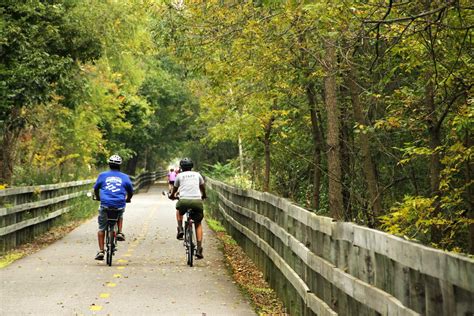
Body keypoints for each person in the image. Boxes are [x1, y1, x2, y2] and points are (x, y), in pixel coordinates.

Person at [93, 154, 134, 260]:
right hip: (119, 203)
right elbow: (130, 191)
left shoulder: (102, 175)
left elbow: (96, 188)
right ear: (120, 165)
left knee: (102, 228)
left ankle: (101, 251)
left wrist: (98, 197)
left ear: (109, 164)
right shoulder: (125, 177)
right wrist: (128, 199)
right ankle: (119, 232)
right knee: (120, 213)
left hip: (105, 204)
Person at [170, 158, 206, 259]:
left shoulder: (179, 176)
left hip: (184, 201)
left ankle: (180, 229)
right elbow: (202, 187)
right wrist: (203, 195)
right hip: (197, 201)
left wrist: (172, 196)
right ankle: (199, 249)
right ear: (192, 166)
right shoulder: (197, 174)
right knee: (198, 223)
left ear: (181, 167)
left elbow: (175, 190)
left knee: (179, 210)